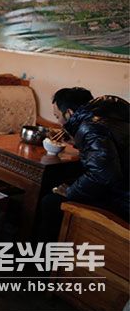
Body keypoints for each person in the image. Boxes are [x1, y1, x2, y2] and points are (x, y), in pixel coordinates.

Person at [38, 87, 129, 242]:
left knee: (51, 202)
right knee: (63, 184)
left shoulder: (90, 127)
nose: (59, 122)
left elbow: (102, 175)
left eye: (57, 116)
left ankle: (47, 253)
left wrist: (70, 192)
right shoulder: (107, 115)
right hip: (122, 188)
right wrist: (78, 141)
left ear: (69, 113)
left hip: (122, 201)